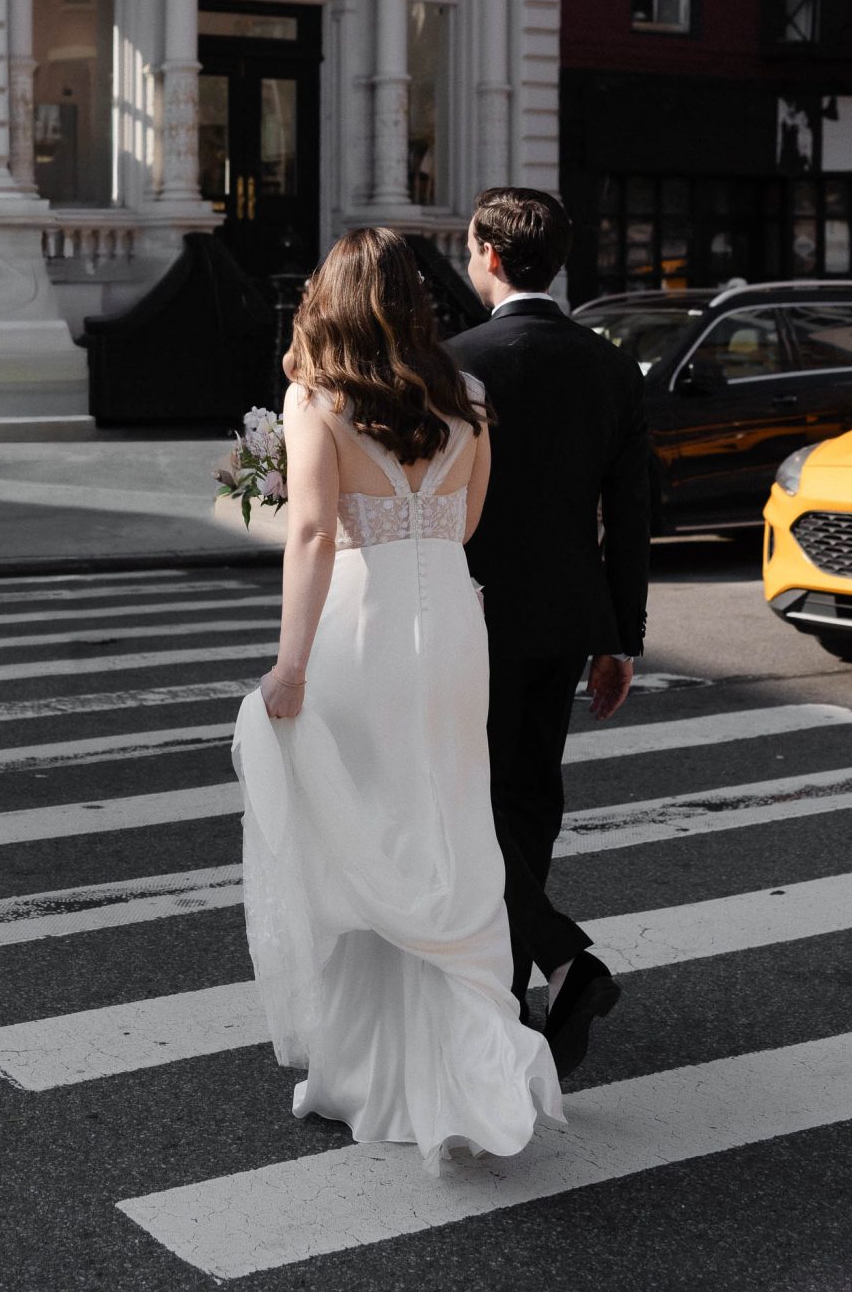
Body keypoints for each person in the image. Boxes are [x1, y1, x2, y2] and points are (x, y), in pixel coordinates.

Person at [232, 226, 563, 1173]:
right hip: (453, 624)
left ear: (327, 302)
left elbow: (309, 535)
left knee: (366, 829)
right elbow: (465, 520)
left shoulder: (317, 401)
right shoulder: (471, 397)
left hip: (363, 624)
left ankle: (372, 1068)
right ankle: (460, 1055)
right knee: (447, 817)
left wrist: (289, 666)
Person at [446, 187, 651, 1080]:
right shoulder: (610, 366)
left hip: (475, 610)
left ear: (489, 253)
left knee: (470, 799)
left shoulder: (456, 362)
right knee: (532, 792)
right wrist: (622, 638)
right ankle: (521, 983)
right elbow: (632, 512)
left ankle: (556, 959)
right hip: (570, 616)